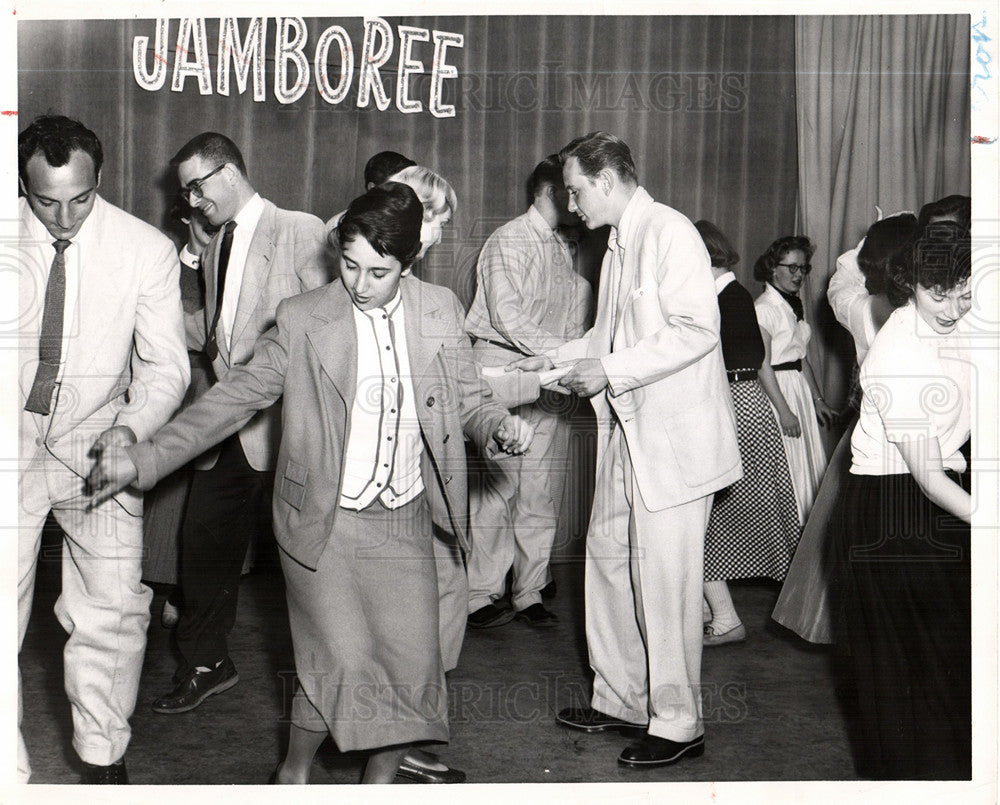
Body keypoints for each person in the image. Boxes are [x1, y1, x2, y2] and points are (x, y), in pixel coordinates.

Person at [86, 182, 534, 784]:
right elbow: (235, 398)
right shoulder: (303, 318)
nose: (361, 283)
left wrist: (497, 427)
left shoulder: (440, 310)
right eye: (350, 265)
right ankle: (294, 772)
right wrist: (143, 458)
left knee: (408, 669)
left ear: (410, 262)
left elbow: (470, 401)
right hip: (325, 521)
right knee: (342, 661)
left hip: (403, 523)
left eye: (380, 271)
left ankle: (368, 787)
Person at [511, 132, 741, 767]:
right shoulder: (615, 245)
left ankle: (678, 721)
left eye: (577, 190)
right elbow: (605, 335)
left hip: (671, 442)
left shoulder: (669, 233)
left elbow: (697, 330)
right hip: (623, 433)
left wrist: (610, 370)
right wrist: (552, 359)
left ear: (607, 181)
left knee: (664, 584)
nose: (571, 203)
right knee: (609, 562)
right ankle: (619, 699)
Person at [17, 114, 189, 783]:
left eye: (80, 199)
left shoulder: (145, 249)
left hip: (100, 446)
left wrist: (133, 426)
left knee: (115, 610)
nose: (63, 217)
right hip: (11, 446)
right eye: (46, 200)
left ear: (100, 179)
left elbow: (166, 367)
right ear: (22, 185)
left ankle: (102, 756)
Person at [153, 132, 330, 714]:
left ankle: (337, 689)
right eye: (185, 193)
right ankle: (207, 663)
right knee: (203, 544)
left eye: (196, 187)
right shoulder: (215, 241)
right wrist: (183, 262)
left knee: (311, 565)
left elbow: (330, 330)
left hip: (292, 429)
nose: (191, 201)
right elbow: (208, 335)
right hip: (232, 423)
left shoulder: (301, 230)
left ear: (229, 172)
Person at [833, 219, 972, 779]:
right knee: (910, 679)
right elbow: (927, 477)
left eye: (963, 294)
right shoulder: (897, 350)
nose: (951, 306)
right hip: (891, 515)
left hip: (930, 502)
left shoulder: (960, 323)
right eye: (936, 292)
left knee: (946, 670)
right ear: (910, 283)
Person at [772, 212, 916, 643]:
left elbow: (842, 278)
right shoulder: (945, 313)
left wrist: (871, 238)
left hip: (873, 438)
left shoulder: (864, 309)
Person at [463, 155, 593, 628]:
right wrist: (561, 357)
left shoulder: (560, 249)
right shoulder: (510, 239)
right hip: (501, 365)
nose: (578, 201)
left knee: (539, 490)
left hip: (546, 377)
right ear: (551, 192)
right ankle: (480, 594)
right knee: (498, 488)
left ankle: (529, 589)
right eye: (572, 191)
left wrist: (562, 362)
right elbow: (507, 315)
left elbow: (566, 321)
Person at [693, 221, 801, 647]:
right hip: (745, 404)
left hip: (735, 406)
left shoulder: (725, 300)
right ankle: (709, 611)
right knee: (713, 517)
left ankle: (724, 618)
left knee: (710, 520)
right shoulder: (734, 297)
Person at [142, 197, 220, 627]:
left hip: (220, 398)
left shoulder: (231, 270)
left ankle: (186, 590)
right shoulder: (166, 269)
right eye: (202, 225)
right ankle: (159, 586)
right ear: (186, 219)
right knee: (166, 502)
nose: (211, 231)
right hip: (174, 396)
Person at [753, 236, 836, 523]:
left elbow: (801, 359)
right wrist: (785, 412)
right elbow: (762, 362)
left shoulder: (790, 307)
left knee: (806, 462)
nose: (798, 275)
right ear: (772, 269)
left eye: (803, 268)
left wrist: (817, 400)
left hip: (796, 387)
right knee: (790, 464)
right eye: (791, 268)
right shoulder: (765, 308)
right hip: (778, 391)